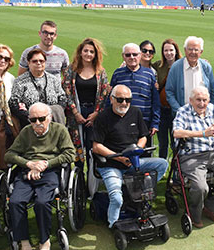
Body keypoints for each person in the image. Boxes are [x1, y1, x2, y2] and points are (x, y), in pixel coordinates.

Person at [6, 102, 75, 250]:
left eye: (41, 119)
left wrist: (46, 164)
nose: (37, 123)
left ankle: (45, 244)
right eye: (33, 119)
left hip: (50, 171)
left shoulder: (59, 130)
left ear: (49, 118)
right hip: (28, 171)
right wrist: (29, 163)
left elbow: (70, 153)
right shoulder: (26, 132)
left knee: (42, 202)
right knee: (15, 202)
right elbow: (9, 154)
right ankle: (26, 248)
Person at [92, 85, 169, 228]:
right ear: (112, 99)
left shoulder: (135, 112)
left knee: (162, 164)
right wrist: (119, 158)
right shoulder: (103, 117)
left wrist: (138, 149)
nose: (124, 103)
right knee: (116, 198)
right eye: (120, 100)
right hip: (111, 164)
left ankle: (137, 193)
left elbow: (143, 136)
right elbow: (96, 146)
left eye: (128, 100)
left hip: (134, 161)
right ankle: (113, 224)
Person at [172, 87, 214, 227]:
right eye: (198, 100)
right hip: (191, 155)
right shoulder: (183, 112)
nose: (202, 103)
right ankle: (195, 214)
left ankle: (212, 208)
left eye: (205, 100)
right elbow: (177, 132)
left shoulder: (212, 109)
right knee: (201, 187)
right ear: (191, 100)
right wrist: (203, 133)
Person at [62, 38, 110, 167]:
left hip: (93, 114)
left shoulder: (100, 71)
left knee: (92, 147)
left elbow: (104, 93)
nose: (88, 54)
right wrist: (75, 112)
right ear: (80, 52)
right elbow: (66, 92)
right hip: (76, 113)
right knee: (77, 147)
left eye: (92, 52)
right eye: (86, 51)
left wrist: (96, 113)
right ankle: (78, 181)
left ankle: (91, 180)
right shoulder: (71, 70)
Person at [110, 43, 161, 150]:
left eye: (135, 54)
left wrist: (155, 123)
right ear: (123, 56)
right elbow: (110, 99)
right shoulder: (118, 74)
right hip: (121, 122)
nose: (132, 57)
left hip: (144, 123)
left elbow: (155, 101)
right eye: (128, 55)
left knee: (144, 154)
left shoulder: (149, 74)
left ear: (140, 55)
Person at [9, 49, 71, 128]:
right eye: (35, 61)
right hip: (30, 124)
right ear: (29, 63)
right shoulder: (20, 81)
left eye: (41, 61)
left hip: (53, 122)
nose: (38, 63)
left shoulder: (53, 80)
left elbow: (62, 98)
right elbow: (13, 103)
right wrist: (31, 116)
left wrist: (52, 114)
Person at [165, 36, 214, 116]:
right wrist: (179, 110)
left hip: (202, 115)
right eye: (190, 49)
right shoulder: (176, 67)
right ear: (185, 50)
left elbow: (212, 93)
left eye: (196, 50)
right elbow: (169, 92)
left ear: (201, 52)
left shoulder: (206, 67)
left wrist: (208, 111)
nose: (193, 52)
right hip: (182, 115)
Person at [153, 38, 182, 159]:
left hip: (177, 109)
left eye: (171, 50)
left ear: (176, 51)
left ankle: (177, 169)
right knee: (163, 142)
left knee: (176, 142)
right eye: (166, 50)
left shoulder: (182, 65)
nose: (168, 53)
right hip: (162, 109)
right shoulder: (158, 66)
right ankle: (162, 167)